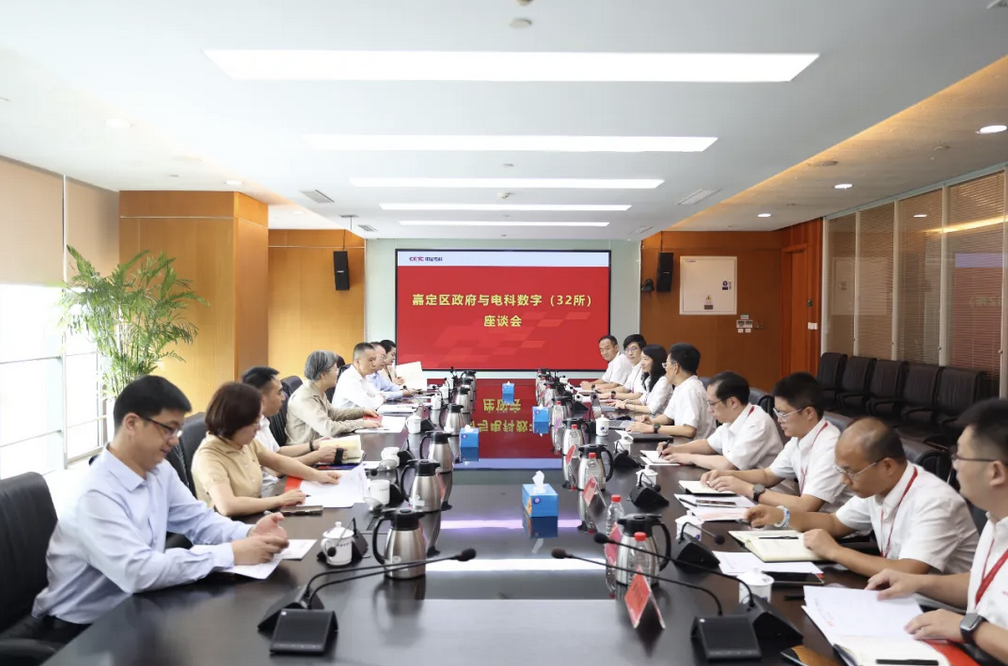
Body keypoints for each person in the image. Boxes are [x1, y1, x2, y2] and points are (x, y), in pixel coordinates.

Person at [32, 376, 290, 637]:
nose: (175, 440)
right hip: (81, 631)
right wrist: (230, 553)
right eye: (168, 429)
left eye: (178, 431)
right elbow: (138, 572)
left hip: (138, 605)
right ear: (132, 423)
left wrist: (248, 533)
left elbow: (198, 520)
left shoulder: (158, 470)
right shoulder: (95, 495)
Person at [864, 399, 1008, 662]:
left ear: (995, 472)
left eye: (960, 456)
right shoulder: (996, 517)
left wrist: (971, 629)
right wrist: (919, 582)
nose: (955, 465)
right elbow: (986, 587)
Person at [745, 418, 977, 578]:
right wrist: (781, 516)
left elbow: (908, 571)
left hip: (941, 610)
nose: (844, 481)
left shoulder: (935, 501)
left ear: (887, 466)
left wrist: (835, 552)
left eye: (850, 472)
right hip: (899, 594)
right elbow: (834, 522)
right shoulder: (878, 485)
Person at [701, 372, 851, 512]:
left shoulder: (830, 447)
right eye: (777, 412)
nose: (778, 420)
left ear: (808, 413)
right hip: (809, 521)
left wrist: (747, 488)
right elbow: (768, 475)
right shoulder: (799, 437)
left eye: (783, 414)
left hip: (835, 527)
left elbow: (806, 506)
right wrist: (727, 475)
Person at [191, 382, 346, 517]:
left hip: (255, 517)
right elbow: (227, 506)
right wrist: (279, 500)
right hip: (227, 532)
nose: (258, 428)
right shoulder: (209, 457)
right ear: (234, 423)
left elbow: (279, 462)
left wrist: (319, 475)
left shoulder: (244, 442)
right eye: (254, 423)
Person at [661, 371, 782, 471]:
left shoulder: (758, 423)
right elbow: (708, 445)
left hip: (765, 491)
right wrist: (675, 449)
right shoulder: (733, 417)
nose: (709, 410)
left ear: (732, 402)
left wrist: (690, 458)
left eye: (712, 404)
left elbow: (728, 465)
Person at [241, 366, 339, 485]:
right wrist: (316, 456)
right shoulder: (247, 430)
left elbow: (277, 453)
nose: (283, 398)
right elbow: (275, 470)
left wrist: (313, 445)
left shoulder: (262, 420)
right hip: (270, 489)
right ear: (262, 398)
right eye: (279, 393)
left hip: (277, 484)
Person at [627, 343, 716, 445]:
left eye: (666, 365)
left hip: (695, 449)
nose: (665, 369)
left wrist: (653, 428)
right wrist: (651, 422)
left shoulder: (690, 390)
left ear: (675, 367)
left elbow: (689, 430)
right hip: (682, 444)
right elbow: (668, 417)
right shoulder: (681, 386)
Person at [286, 350, 380, 446]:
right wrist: (361, 423)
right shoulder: (303, 398)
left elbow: (333, 414)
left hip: (322, 446)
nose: (338, 373)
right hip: (306, 452)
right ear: (323, 374)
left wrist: (362, 411)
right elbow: (328, 429)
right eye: (335, 369)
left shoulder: (317, 389)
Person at [610, 344, 670, 418]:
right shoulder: (649, 379)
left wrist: (626, 406)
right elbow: (642, 400)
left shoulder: (663, 381)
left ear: (656, 361)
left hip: (658, 421)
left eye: (645, 359)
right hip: (647, 418)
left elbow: (651, 409)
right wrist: (626, 401)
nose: (642, 363)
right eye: (641, 358)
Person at [334, 342, 387, 410]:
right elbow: (370, 405)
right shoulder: (349, 378)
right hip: (346, 417)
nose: (374, 364)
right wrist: (380, 399)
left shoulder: (363, 376)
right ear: (357, 362)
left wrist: (378, 397)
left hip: (358, 416)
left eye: (374, 359)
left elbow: (375, 393)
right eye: (370, 360)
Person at [604, 334, 647, 400]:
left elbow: (638, 395)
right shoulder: (634, 367)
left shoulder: (645, 369)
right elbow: (625, 388)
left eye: (633, 349)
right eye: (627, 349)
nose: (630, 353)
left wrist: (611, 395)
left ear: (642, 350)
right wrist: (604, 392)